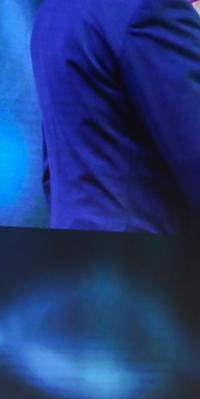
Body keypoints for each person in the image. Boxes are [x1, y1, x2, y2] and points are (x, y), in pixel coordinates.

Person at [30, 0, 200, 235]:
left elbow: (56, 176)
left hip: (74, 252)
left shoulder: (53, 11)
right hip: (143, 260)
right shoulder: (152, 8)